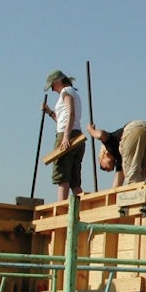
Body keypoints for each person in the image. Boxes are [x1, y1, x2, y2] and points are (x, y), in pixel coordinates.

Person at [42, 70, 84, 200]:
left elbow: (71, 114)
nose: (52, 89)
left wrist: (65, 137)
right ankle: (82, 207)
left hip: (67, 134)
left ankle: (61, 208)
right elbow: (64, 119)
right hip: (77, 134)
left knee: (62, 176)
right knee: (74, 180)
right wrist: (50, 112)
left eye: (52, 85)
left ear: (59, 81)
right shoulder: (73, 93)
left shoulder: (65, 92)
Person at [86, 120, 146, 187]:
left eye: (103, 168)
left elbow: (100, 134)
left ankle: (135, 196)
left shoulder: (109, 146)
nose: (108, 171)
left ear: (103, 156)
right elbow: (116, 186)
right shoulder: (120, 160)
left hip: (134, 129)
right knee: (140, 175)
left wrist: (90, 130)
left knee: (132, 177)